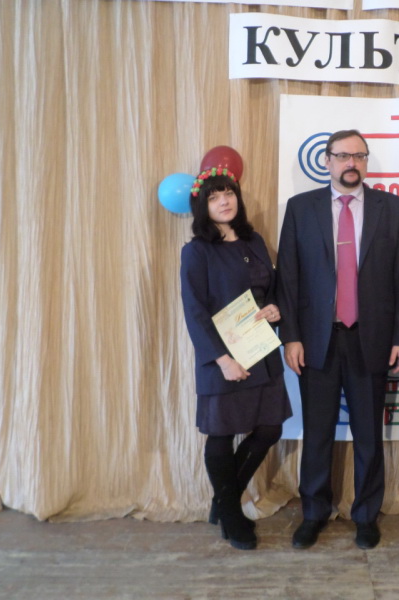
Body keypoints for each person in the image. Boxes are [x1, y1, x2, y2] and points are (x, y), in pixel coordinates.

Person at [277, 130, 399, 550]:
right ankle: (313, 513)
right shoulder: (300, 208)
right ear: (327, 160)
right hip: (316, 340)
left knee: (368, 435)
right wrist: (291, 337)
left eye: (358, 155)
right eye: (342, 155)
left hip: (371, 339)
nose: (351, 163)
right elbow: (288, 278)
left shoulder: (393, 209)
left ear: (366, 161)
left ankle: (366, 516)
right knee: (317, 433)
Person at [180, 165, 292, 551]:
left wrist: (274, 308)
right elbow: (194, 310)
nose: (224, 201)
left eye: (228, 193)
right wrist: (221, 359)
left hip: (260, 349)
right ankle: (231, 512)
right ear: (203, 207)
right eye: (214, 197)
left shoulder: (254, 240)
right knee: (222, 433)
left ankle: (223, 500)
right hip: (223, 358)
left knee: (269, 428)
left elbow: (270, 289)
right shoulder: (197, 251)